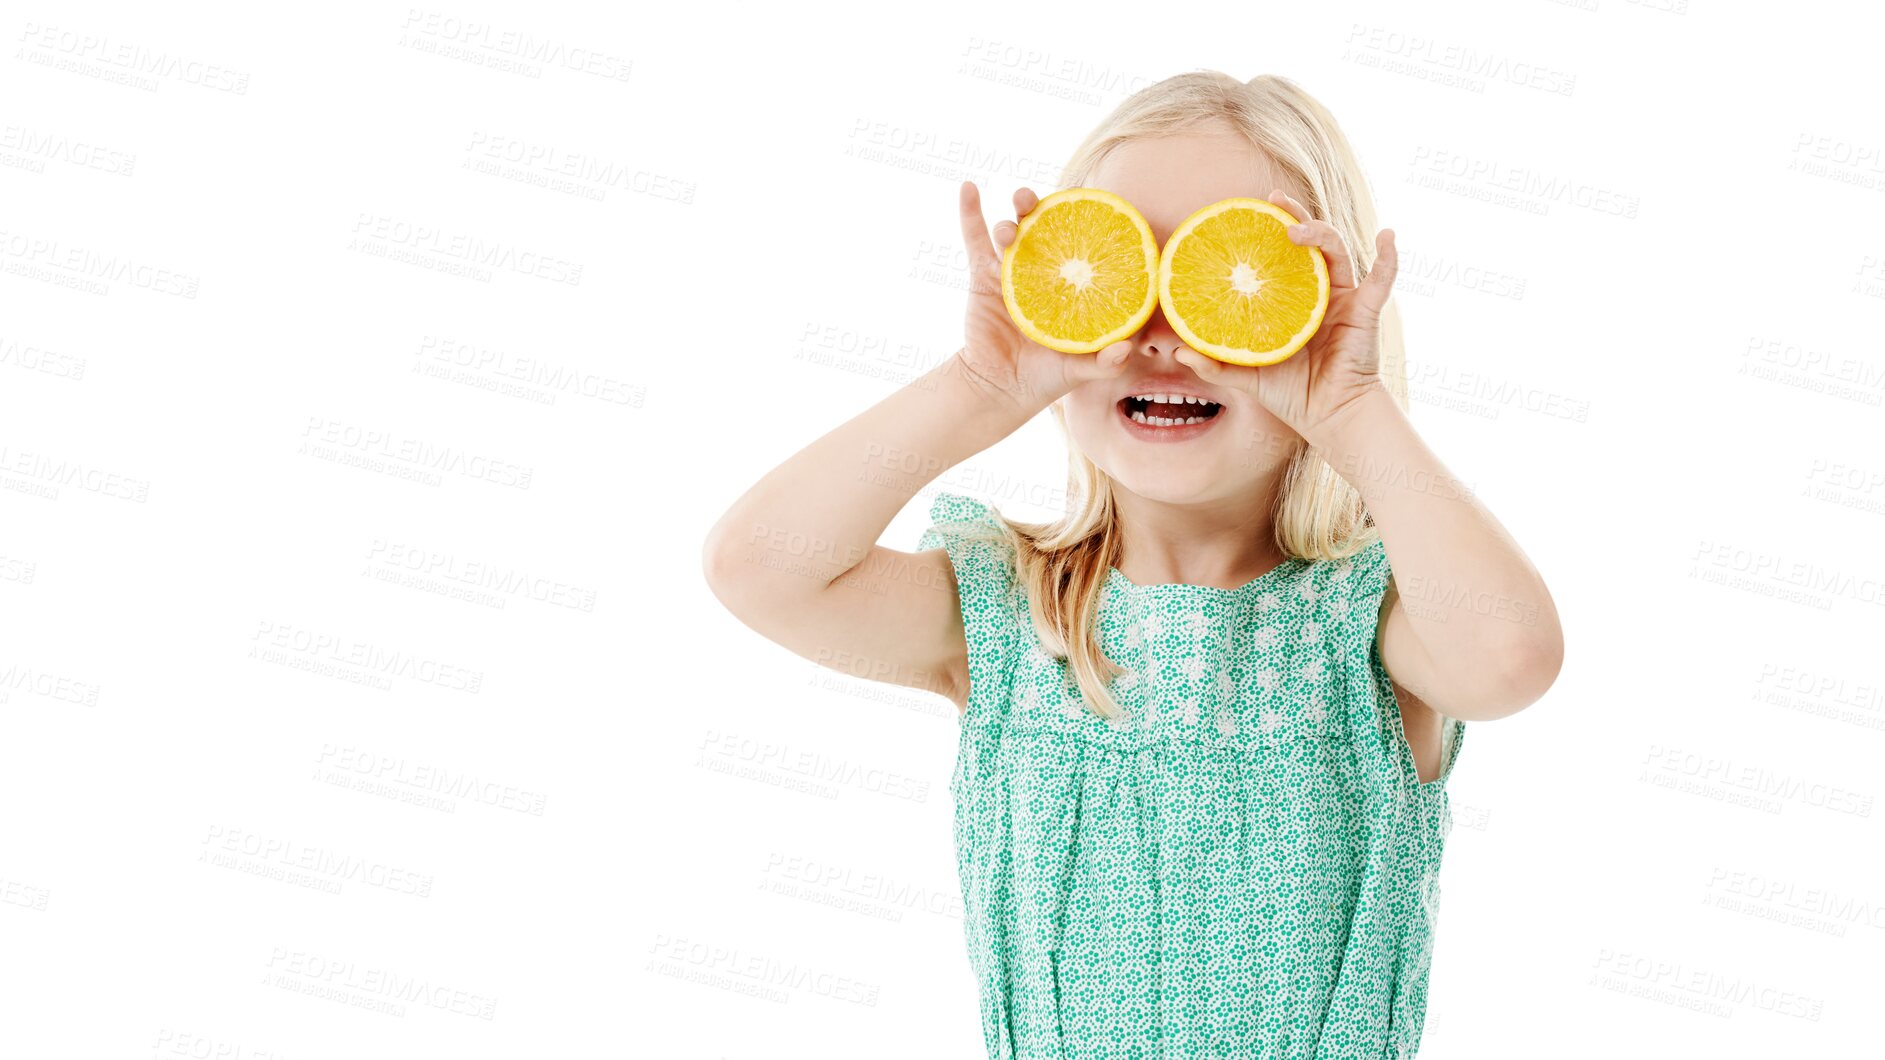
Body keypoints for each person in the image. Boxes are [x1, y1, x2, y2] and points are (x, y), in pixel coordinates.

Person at [702, 69, 1564, 1059]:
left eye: (1224, 278)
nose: (1162, 331)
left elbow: (1509, 657)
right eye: (1123, 273)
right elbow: (760, 566)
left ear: (1314, 309)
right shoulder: (1009, 613)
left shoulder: (1371, 624)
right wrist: (982, 385)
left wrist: (1348, 410)